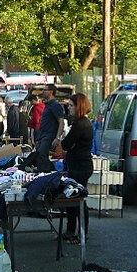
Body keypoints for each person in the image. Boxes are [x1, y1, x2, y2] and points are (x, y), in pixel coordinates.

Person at [60, 93, 93, 244]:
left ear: (78, 106)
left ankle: (82, 234)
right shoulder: (81, 123)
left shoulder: (81, 124)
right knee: (71, 198)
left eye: (71, 105)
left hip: (80, 166)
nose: (69, 108)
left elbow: (66, 144)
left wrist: (66, 144)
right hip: (76, 164)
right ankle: (71, 231)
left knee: (78, 200)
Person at [33, 85, 65, 173]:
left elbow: (61, 122)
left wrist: (57, 138)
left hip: (49, 136)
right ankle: (45, 173)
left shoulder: (55, 105)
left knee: (41, 154)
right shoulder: (47, 105)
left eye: (45, 90)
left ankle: (50, 173)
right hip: (43, 136)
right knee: (39, 155)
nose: (43, 91)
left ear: (51, 92)